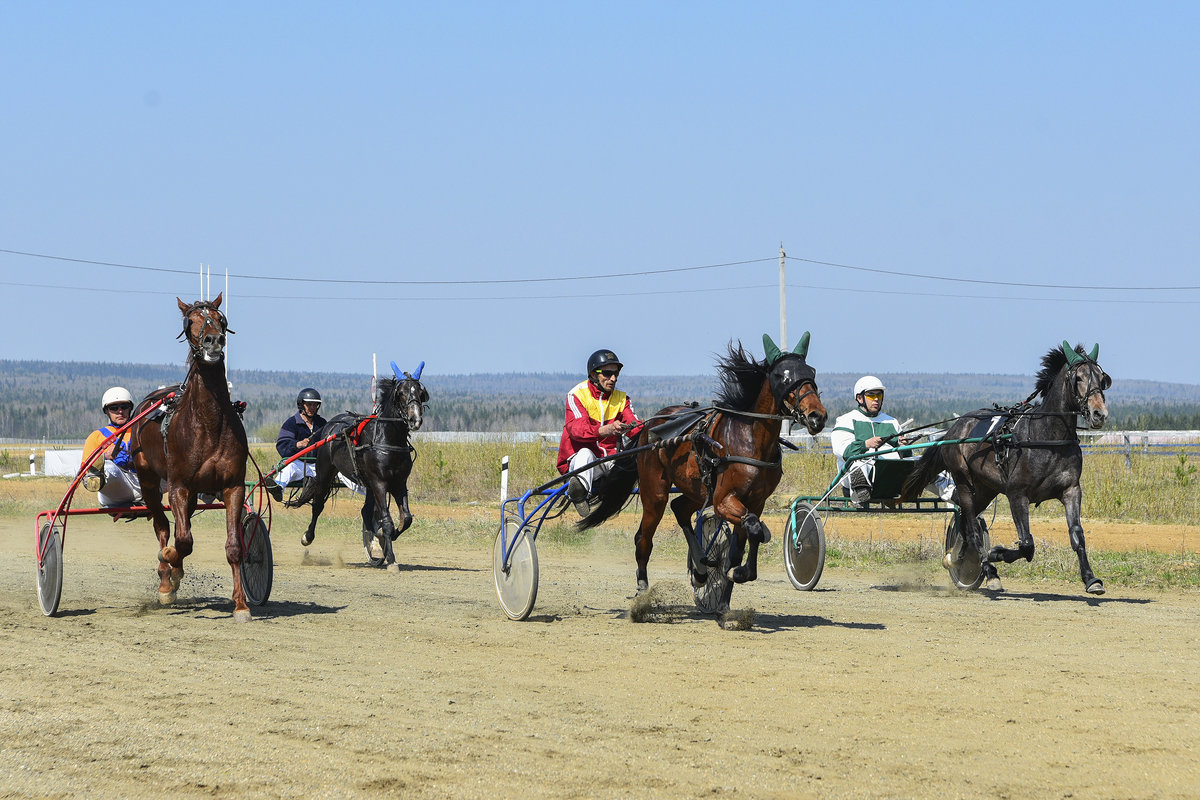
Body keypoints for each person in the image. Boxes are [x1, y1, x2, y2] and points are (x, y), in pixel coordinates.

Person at [557, 349, 641, 516]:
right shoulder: (577, 395)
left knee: (632, 458)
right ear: (594, 375)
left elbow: (635, 427)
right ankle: (579, 494)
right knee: (585, 454)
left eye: (616, 374)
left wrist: (650, 432)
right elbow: (576, 430)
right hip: (580, 463)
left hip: (609, 460)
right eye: (608, 373)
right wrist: (605, 430)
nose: (613, 378)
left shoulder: (622, 399)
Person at [830, 376, 918, 507]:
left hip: (887, 475)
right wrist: (866, 444)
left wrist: (904, 446)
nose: (876, 399)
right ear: (860, 398)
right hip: (857, 472)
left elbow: (906, 457)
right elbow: (842, 450)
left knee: (923, 461)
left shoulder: (892, 422)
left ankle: (951, 493)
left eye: (879, 395)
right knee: (858, 460)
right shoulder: (846, 419)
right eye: (871, 395)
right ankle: (860, 492)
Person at [80, 387, 143, 508]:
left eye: (124, 407)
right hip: (115, 492)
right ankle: (98, 474)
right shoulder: (96, 436)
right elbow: (83, 470)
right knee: (108, 467)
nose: (120, 411)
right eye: (114, 408)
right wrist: (104, 457)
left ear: (130, 409)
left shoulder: (141, 431)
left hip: (142, 486)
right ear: (106, 411)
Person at [266, 388, 327, 501]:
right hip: (299, 465)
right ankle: (278, 488)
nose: (312, 408)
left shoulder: (322, 423)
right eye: (309, 405)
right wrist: (297, 444)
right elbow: (282, 446)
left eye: (315, 405)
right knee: (289, 466)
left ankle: (365, 487)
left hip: (318, 466)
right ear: (301, 405)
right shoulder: (291, 423)